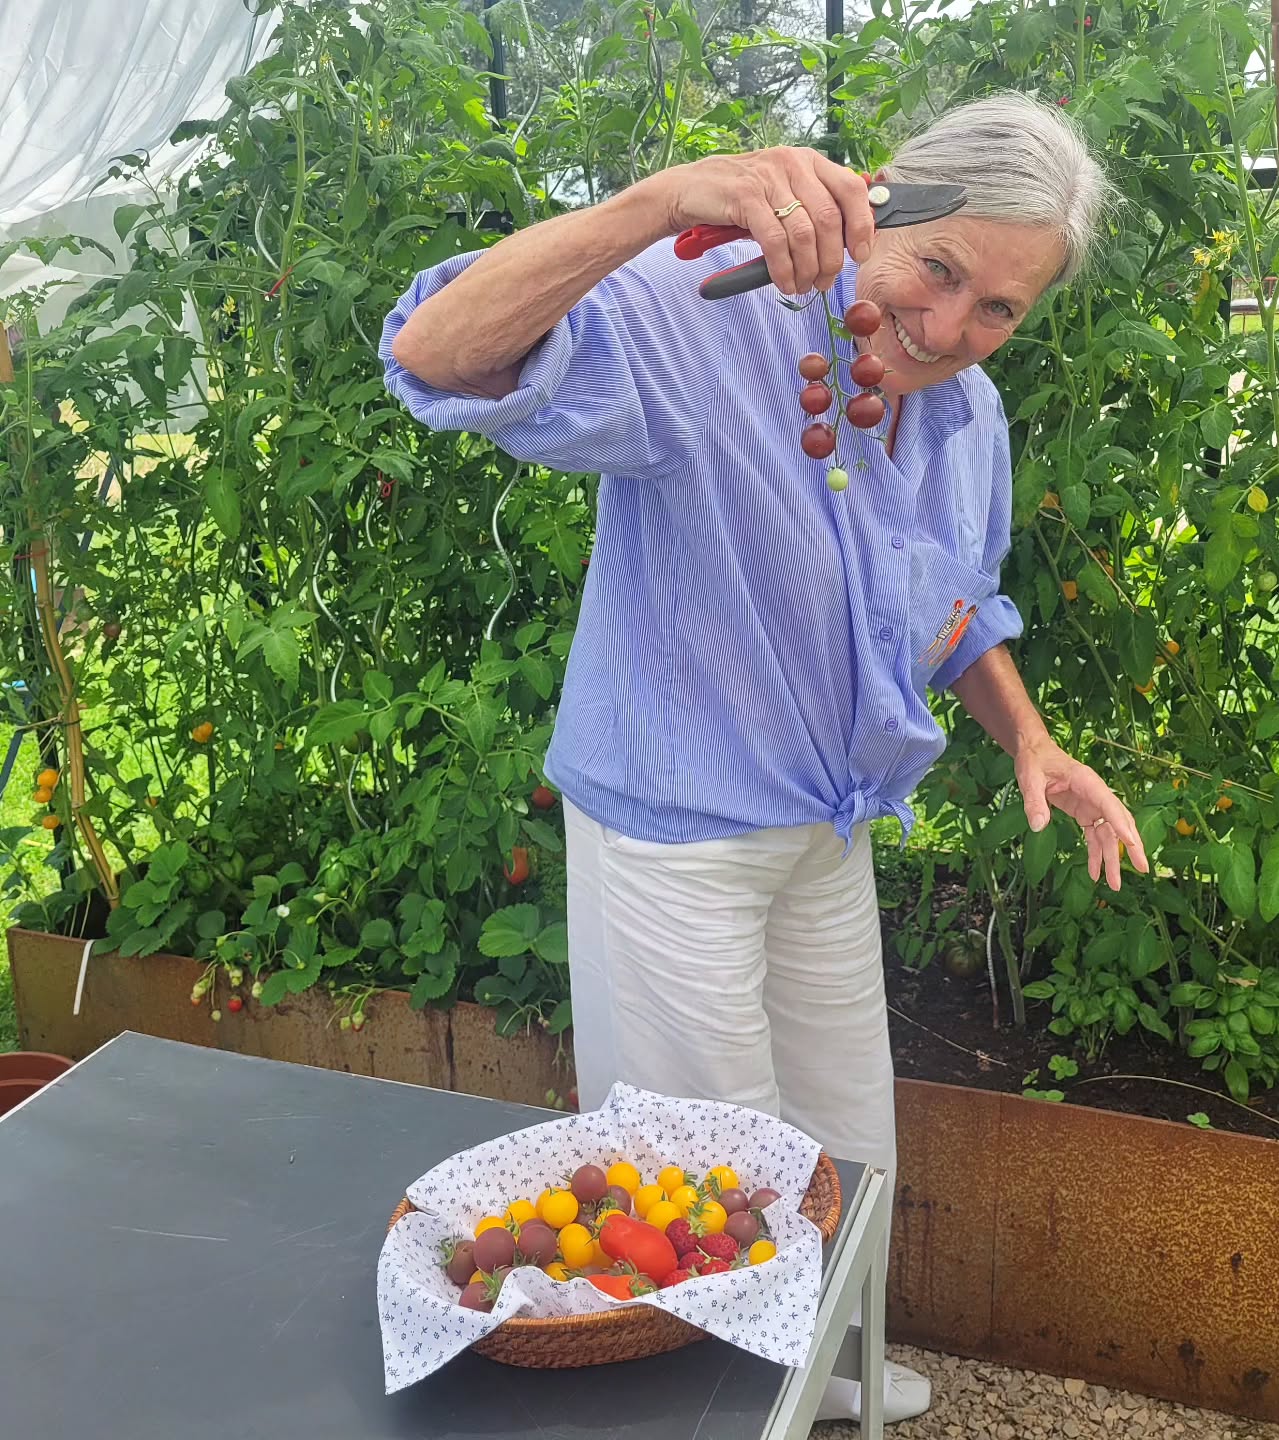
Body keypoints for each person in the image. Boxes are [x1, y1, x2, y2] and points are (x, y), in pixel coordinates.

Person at [381, 92, 1148, 1424]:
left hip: (823, 822)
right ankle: (733, 1413)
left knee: (849, 1142)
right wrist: (655, 205)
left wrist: (1033, 736)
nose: (952, 330)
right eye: (941, 269)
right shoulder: (707, 316)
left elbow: (948, 602)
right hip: (675, 831)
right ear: (880, 199)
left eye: (1000, 311)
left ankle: (832, 1381)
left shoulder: (965, 421)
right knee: (707, 1173)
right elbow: (442, 355)